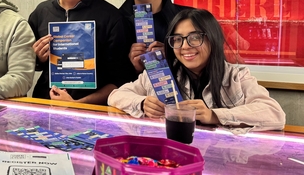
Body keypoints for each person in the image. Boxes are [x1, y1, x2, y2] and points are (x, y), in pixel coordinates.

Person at [108, 8, 286, 133]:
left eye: (194, 38)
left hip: (220, 162)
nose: (185, 46)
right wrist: (141, 103)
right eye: (177, 39)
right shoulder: (160, 73)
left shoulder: (236, 76)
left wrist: (214, 115)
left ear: (212, 39)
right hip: (172, 156)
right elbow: (116, 95)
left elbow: (274, 114)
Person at [28, 0, 133, 104]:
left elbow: (120, 81)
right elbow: (29, 66)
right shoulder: (41, 13)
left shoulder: (112, 18)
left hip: (91, 116)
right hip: (45, 108)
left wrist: (76, 106)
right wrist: (37, 58)